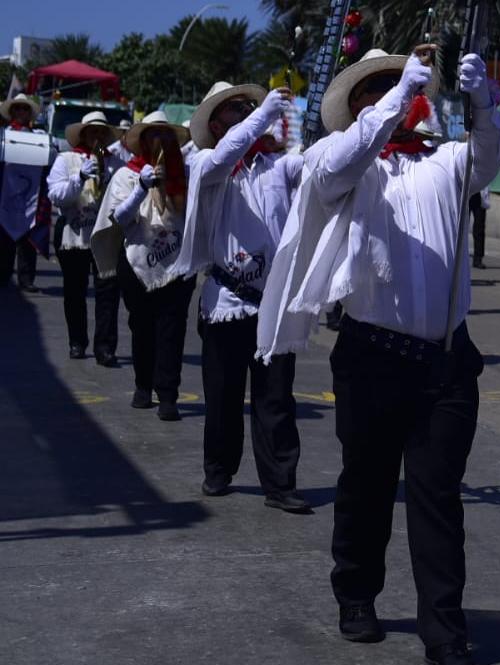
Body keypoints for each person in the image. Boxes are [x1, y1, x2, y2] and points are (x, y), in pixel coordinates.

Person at [255, 46, 500, 665]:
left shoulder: (445, 161)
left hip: (446, 364)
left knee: (438, 500)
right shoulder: (341, 164)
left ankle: (446, 637)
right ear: (360, 106)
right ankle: (356, 592)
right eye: (381, 89)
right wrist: (392, 105)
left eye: (405, 85)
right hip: (372, 360)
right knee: (365, 486)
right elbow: (335, 165)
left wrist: (481, 105)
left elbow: (487, 156)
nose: (401, 95)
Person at [172, 81, 307, 512]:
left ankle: (280, 484)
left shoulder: (275, 166)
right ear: (216, 122)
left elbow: (315, 169)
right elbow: (229, 151)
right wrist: (263, 114)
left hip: (271, 302)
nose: (247, 111)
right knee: (224, 397)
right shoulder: (206, 165)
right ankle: (218, 470)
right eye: (237, 108)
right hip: (225, 302)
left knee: (276, 399)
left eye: (248, 106)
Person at [91, 112, 195, 421]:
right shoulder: (126, 175)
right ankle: (143, 385)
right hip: (137, 263)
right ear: (143, 141)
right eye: (153, 135)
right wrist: (141, 186)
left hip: (176, 262)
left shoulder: (184, 175)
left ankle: (168, 394)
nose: (159, 142)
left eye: (165, 136)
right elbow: (119, 219)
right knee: (142, 327)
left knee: (172, 330)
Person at [46, 111, 125, 361]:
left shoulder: (116, 163)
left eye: (102, 132)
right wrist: (79, 177)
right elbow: (56, 195)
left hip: (105, 236)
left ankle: (105, 347)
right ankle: (77, 342)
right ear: (83, 134)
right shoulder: (66, 159)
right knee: (75, 291)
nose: (98, 137)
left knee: (108, 292)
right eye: (93, 132)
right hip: (75, 232)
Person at [1, 94, 49, 292]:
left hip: (31, 196)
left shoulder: (38, 136)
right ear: (12, 112)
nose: (21, 112)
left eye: (25, 109)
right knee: (3, 238)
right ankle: (3, 276)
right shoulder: (4, 134)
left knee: (27, 240)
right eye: (18, 108)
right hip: (6, 193)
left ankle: (26, 278)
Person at [469, 187, 489, 269]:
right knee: (461, 228)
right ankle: (459, 256)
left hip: (479, 193)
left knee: (479, 228)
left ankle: (478, 258)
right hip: (466, 193)